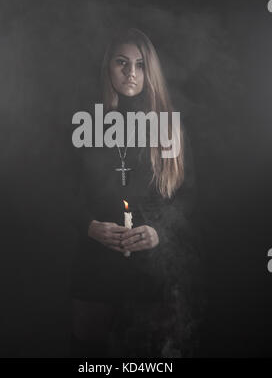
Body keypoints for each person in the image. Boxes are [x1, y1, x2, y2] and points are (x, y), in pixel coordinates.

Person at [69, 28, 203, 358]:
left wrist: (159, 234)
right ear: (108, 68)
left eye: (140, 65)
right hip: (95, 267)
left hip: (151, 270)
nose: (131, 72)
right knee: (91, 355)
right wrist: (88, 225)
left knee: (149, 355)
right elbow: (58, 190)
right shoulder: (83, 121)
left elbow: (189, 198)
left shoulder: (170, 126)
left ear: (150, 71)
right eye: (122, 62)